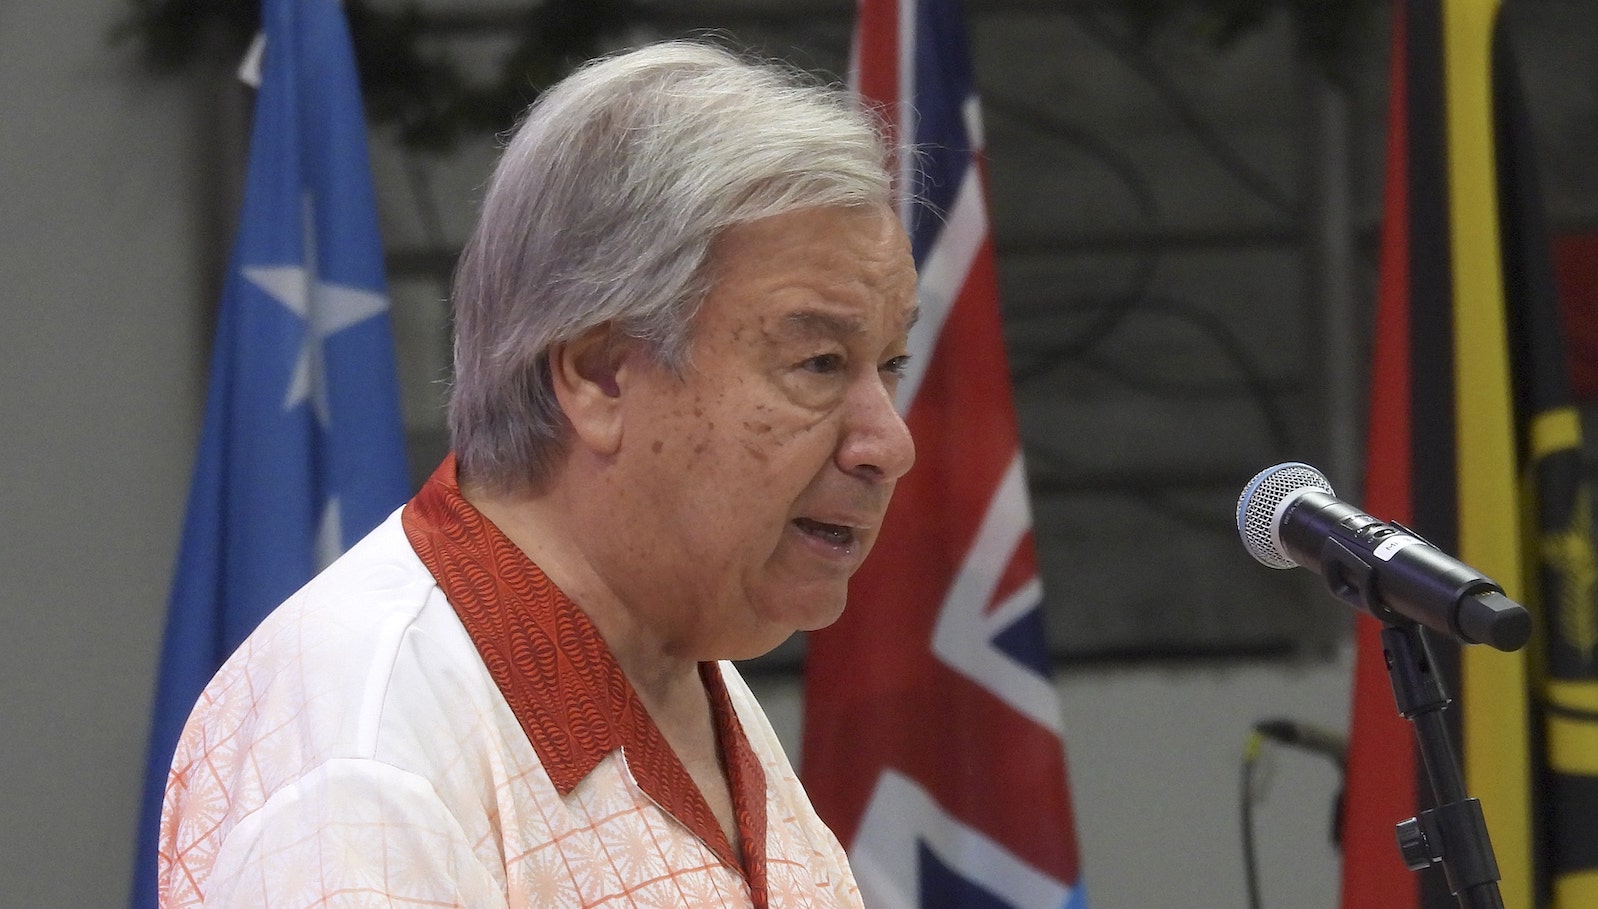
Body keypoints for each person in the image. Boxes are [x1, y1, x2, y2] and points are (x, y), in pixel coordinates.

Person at [157, 39, 918, 908]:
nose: (887, 443)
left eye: (889, 361)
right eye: (819, 363)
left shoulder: (684, 658)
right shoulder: (364, 754)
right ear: (597, 375)